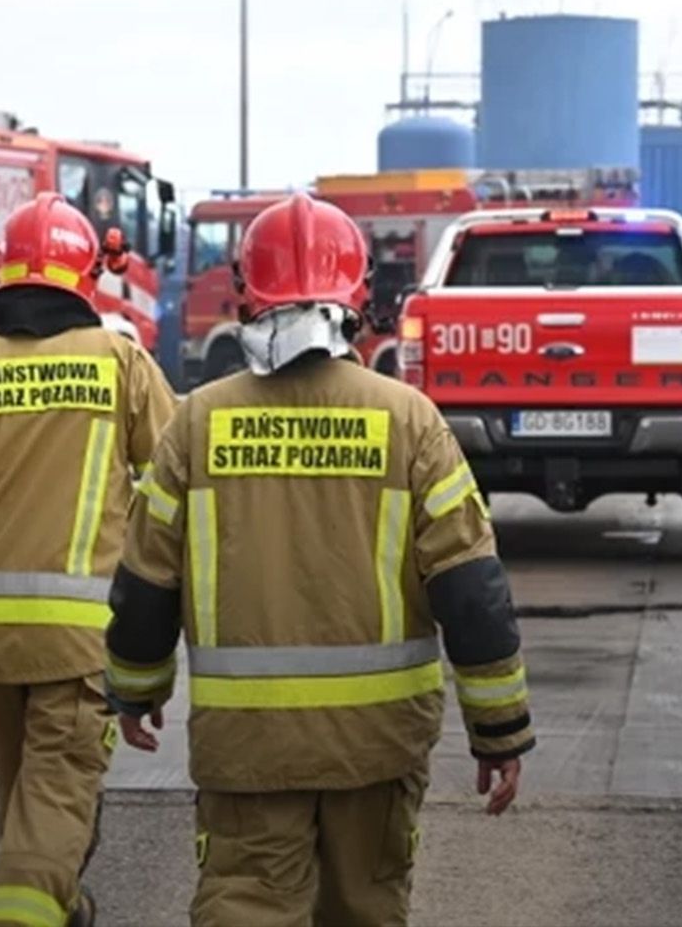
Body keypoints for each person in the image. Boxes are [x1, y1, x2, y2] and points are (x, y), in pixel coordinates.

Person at [104, 193, 533, 927]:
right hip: (379, 743)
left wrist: (135, 691)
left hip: (248, 747)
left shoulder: (198, 423)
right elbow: (471, 591)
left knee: (245, 909)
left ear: (244, 294)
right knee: (366, 910)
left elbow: (147, 581)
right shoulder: (409, 421)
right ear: (361, 294)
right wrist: (497, 731)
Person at [0, 192, 177, 927]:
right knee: (50, 812)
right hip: (84, 645)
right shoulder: (122, 365)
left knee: (29, 810)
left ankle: (66, 906)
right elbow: (177, 498)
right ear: (90, 276)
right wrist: (161, 643)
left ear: (0, 272)